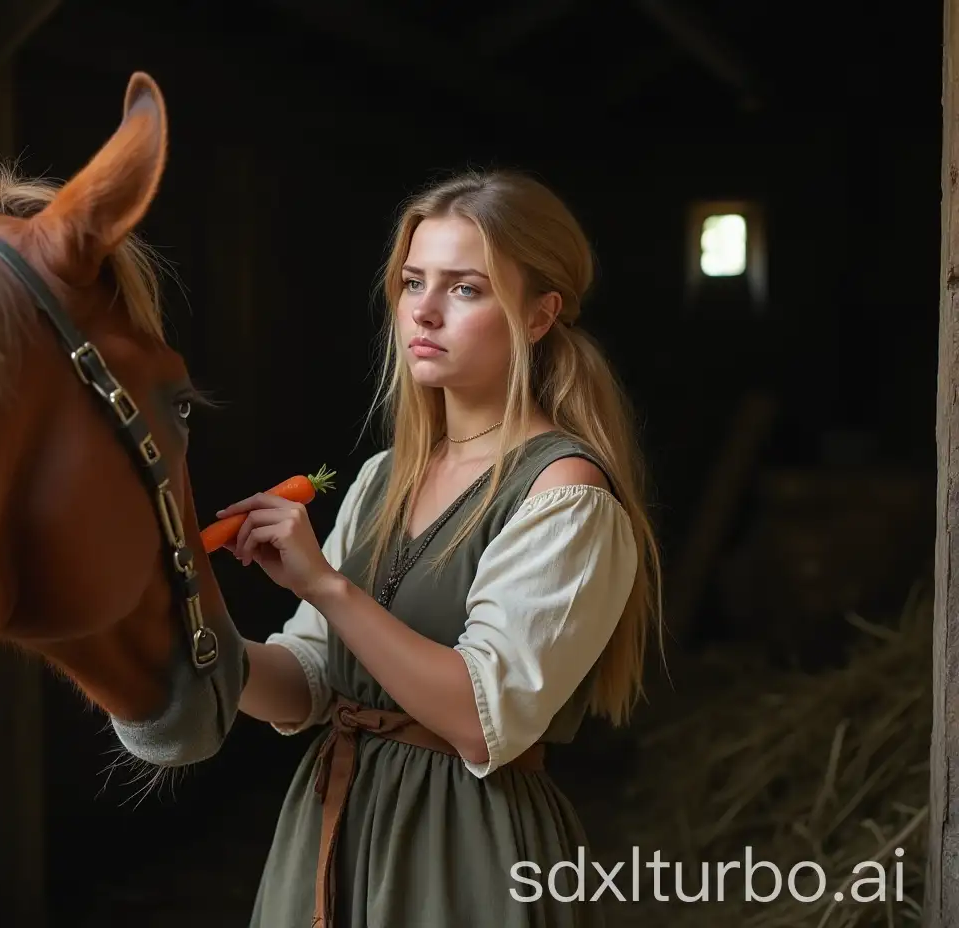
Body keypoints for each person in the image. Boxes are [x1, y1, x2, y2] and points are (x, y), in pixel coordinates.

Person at [219, 168, 664, 928]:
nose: (422, 311)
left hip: (464, 857)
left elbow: (479, 718)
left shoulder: (565, 495)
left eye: (465, 289)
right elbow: (311, 683)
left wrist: (326, 586)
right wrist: (191, 642)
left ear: (537, 315)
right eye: (413, 282)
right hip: (331, 827)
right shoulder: (382, 478)